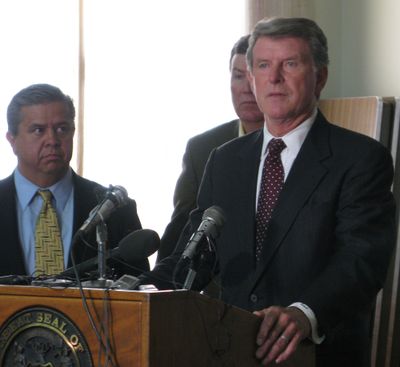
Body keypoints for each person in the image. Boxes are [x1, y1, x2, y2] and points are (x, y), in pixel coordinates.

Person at [140, 17, 396, 366]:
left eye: (289, 64)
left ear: (319, 76)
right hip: (230, 351)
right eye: (263, 65)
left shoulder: (361, 158)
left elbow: (361, 260)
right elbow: (194, 255)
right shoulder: (225, 160)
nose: (274, 78)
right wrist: (132, 291)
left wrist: (305, 314)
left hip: (316, 354)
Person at [0, 83, 149, 278]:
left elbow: (139, 291)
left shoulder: (113, 209)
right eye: (38, 130)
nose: (52, 140)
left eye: (62, 129)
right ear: (12, 140)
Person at [157, 34, 264, 262]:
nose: (246, 88)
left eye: (254, 76)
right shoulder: (203, 149)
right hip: (219, 289)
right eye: (237, 76)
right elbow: (180, 230)